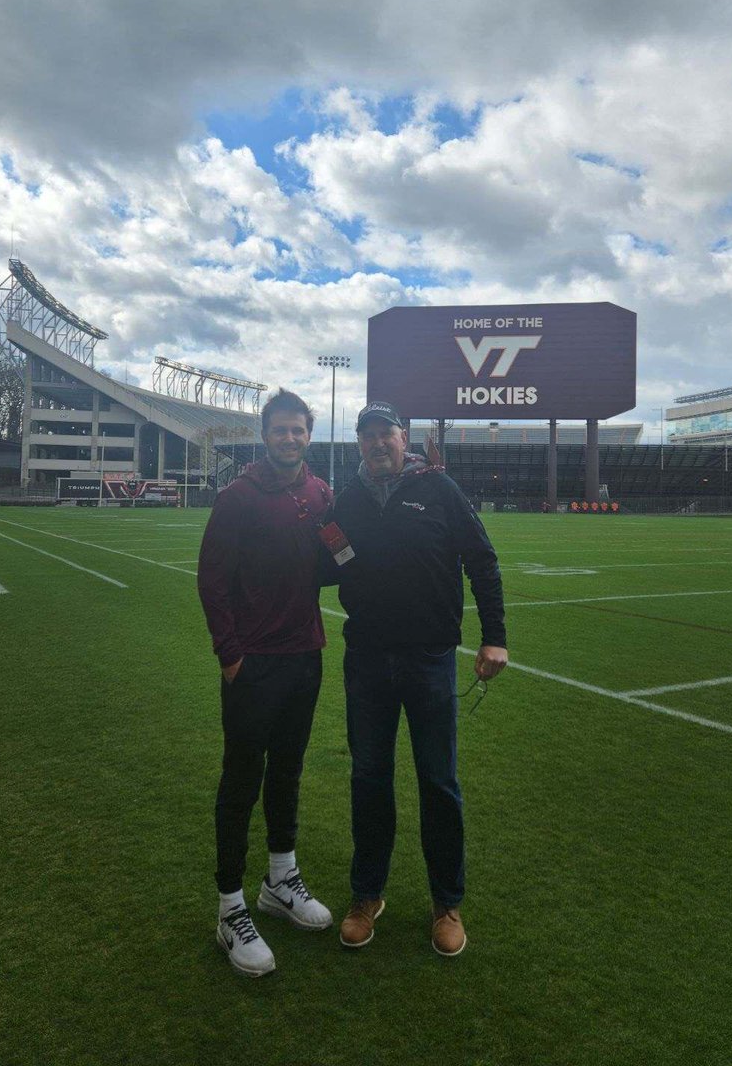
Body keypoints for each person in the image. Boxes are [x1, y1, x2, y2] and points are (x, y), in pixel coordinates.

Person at [326, 401, 507, 957]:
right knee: (369, 778)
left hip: (430, 658)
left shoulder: (439, 489)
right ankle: (367, 895)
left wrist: (494, 635)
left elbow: (482, 561)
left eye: (387, 433)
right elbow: (333, 557)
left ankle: (447, 903)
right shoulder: (347, 499)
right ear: (358, 443)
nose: (377, 443)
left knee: (438, 782)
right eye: (367, 436)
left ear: (404, 439)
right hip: (367, 660)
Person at [198, 388, 333, 978]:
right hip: (254, 663)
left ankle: (281, 879)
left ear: (309, 433)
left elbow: (339, 558)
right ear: (265, 434)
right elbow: (212, 581)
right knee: (242, 776)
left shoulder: (321, 493)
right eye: (280, 430)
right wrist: (230, 655)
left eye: (298, 430)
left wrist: (380, 570)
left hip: (306, 657)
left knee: (288, 769)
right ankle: (230, 907)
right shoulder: (238, 497)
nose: (290, 439)